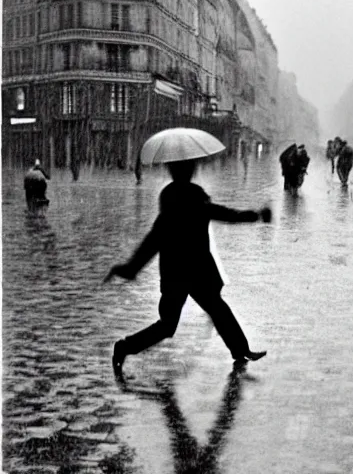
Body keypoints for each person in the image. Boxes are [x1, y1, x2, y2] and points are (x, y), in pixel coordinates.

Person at [104, 158, 270, 375]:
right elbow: (227, 215)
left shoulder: (175, 203)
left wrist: (131, 268)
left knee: (209, 312)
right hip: (190, 273)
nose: (191, 171)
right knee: (174, 324)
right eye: (188, 168)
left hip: (180, 274)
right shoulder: (195, 200)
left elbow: (151, 243)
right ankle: (124, 347)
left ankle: (240, 350)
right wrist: (256, 216)